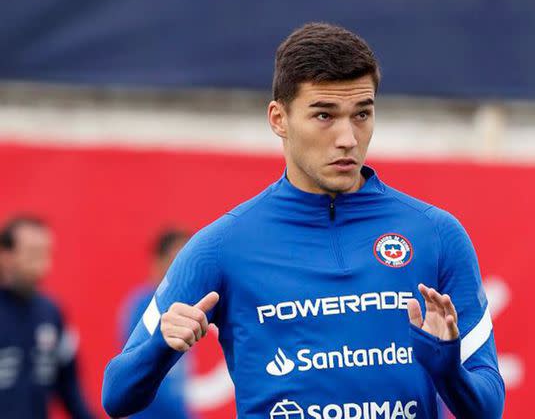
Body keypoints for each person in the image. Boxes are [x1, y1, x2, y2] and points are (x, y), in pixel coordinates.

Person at [102, 23, 505, 419]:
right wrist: (160, 349)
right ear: (279, 119)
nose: (348, 137)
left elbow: (489, 407)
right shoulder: (220, 246)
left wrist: (447, 368)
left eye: (362, 114)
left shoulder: (436, 234)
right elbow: (116, 396)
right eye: (325, 115)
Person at [0, 215, 95, 419]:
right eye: (33, 252)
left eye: (46, 253)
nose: (42, 262)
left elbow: (69, 387)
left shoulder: (51, 313)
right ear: (5, 255)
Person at [118, 229, 196, 419]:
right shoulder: (146, 307)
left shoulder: (179, 306)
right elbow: (146, 373)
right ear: (158, 261)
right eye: (177, 260)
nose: (184, 269)